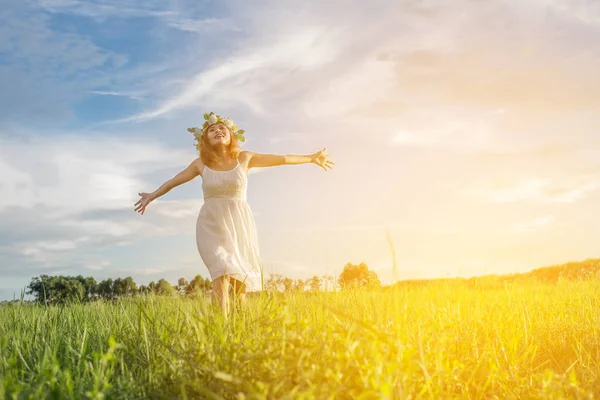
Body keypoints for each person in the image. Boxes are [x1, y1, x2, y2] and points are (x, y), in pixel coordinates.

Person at [134, 112, 334, 315]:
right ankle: (221, 324)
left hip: (239, 224)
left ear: (231, 136)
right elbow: (173, 181)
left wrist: (310, 158)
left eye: (222, 129)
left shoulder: (245, 158)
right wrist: (152, 195)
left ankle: (241, 327)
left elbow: (281, 159)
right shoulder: (200, 164)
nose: (218, 131)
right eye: (212, 130)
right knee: (221, 271)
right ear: (205, 140)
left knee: (240, 282)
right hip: (211, 224)